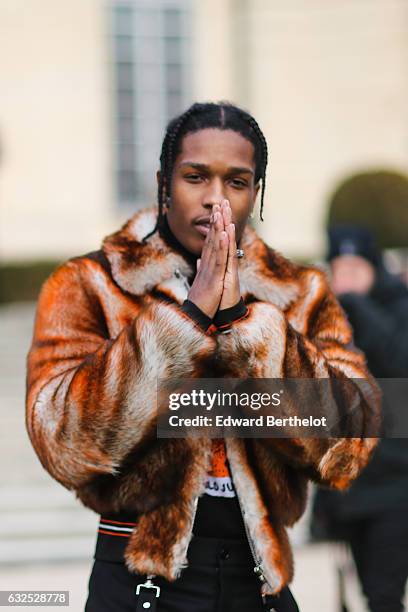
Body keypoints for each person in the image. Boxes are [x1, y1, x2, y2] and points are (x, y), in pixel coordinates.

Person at [25, 103, 380, 612]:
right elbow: (61, 441)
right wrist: (182, 324)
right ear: (164, 183)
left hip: (260, 576)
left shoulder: (299, 292)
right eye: (195, 177)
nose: (216, 200)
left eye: (237, 182)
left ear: (255, 192)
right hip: (139, 570)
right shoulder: (90, 284)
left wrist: (248, 328)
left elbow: (350, 443)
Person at [311, 225, 408, 612]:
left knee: (383, 595)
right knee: (359, 592)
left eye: (355, 268)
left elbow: (398, 362)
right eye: (340, 269)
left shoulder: (399, 306)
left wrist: (359, 305)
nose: (346, 279)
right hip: (351, 490)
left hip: (397, 486)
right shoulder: (328, 321)